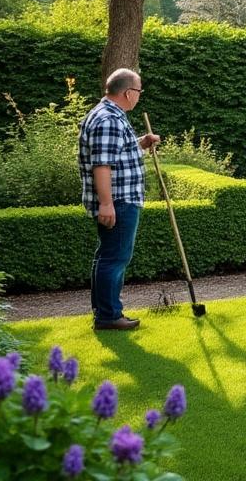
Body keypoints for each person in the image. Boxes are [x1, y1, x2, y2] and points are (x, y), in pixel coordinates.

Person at [78, 68, 159, 331]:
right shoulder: (109, 120)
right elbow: (102, 165)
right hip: (119, 200)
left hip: (120, 199)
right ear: (128, 92)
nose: (139, 96)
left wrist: (141, 143)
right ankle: (109, 316)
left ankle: (105, 311)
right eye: (139, 91)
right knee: (115, 257)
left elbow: (115, 151)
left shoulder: (108, 115)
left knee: (108, 255)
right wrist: (106, 203)